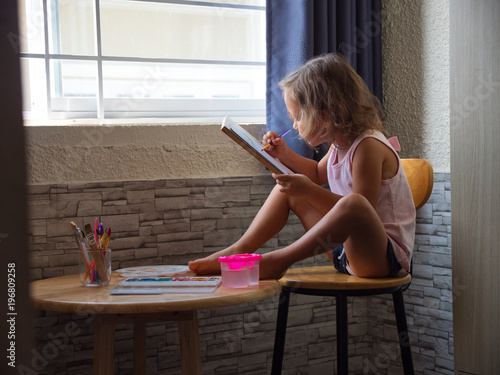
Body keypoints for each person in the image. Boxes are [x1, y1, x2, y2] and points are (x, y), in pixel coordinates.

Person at [189, 53, 416, 279]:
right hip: (344, 251)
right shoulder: (340, 146)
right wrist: (284, 155)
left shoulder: (367, 147)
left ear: (325, 117)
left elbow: (361, 213)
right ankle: (238, 251)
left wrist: (308, 189)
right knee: (286, 188)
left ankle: (280, 260)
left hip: (381, 258)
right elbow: (317, 174)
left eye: (297, 118)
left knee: (355, 203)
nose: (295, 126)